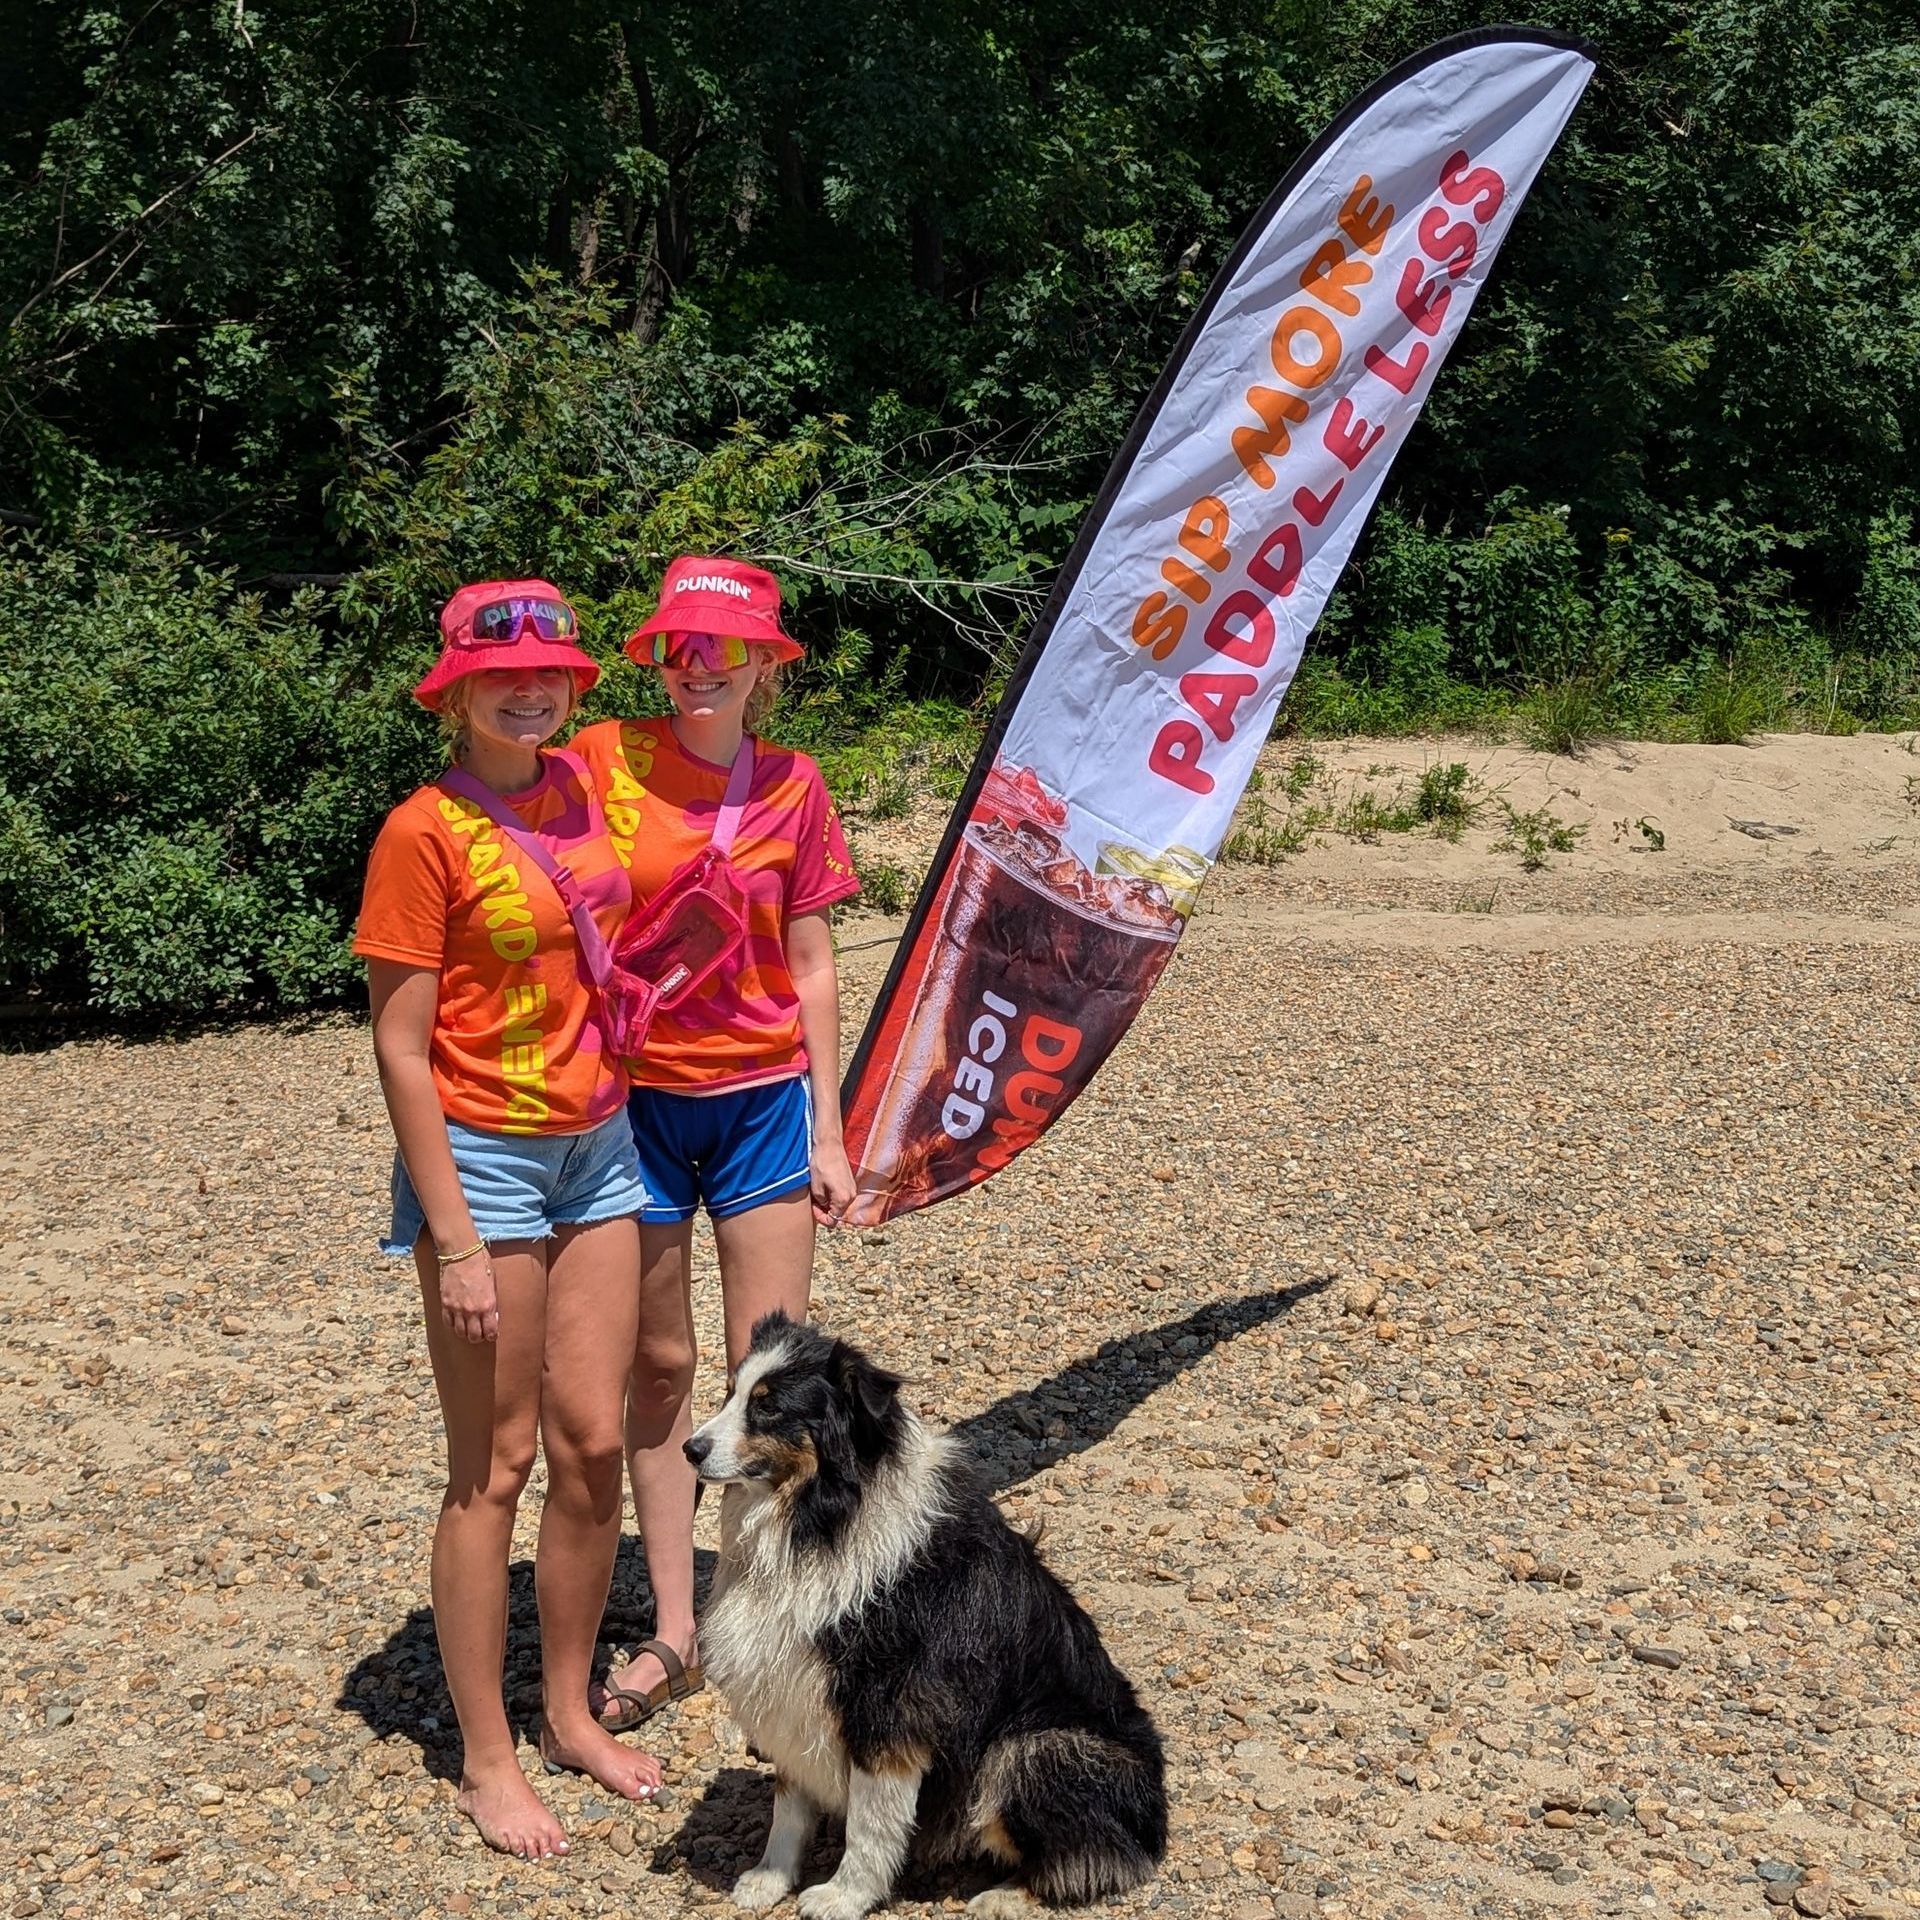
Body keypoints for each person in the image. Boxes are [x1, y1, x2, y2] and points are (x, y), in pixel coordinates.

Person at [353, 581, 663, 1858]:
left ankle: (568, 1711)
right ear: (458, 691)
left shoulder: (585, 790)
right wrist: (459, 1242)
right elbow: (400, 1046)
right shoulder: (421, 831)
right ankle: (487, 1757)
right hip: (485, 1160)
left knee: (595, 1445)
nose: (528, 692)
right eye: (502, 676)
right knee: (496, 1463)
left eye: (548, 674)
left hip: (600, 1143)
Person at [569, 556, 860, 1730]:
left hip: (759, 1103)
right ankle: (677, 1628)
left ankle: (767, 1612)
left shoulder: (795, 785)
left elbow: (813, 963)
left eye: (723, 651)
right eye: (680, 648)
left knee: (767, 1376)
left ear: (762, 667)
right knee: (656, 1367)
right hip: (632, 1101)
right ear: (657, 657)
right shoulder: (600, 759)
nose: (699, 669)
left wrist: (831, 1129)